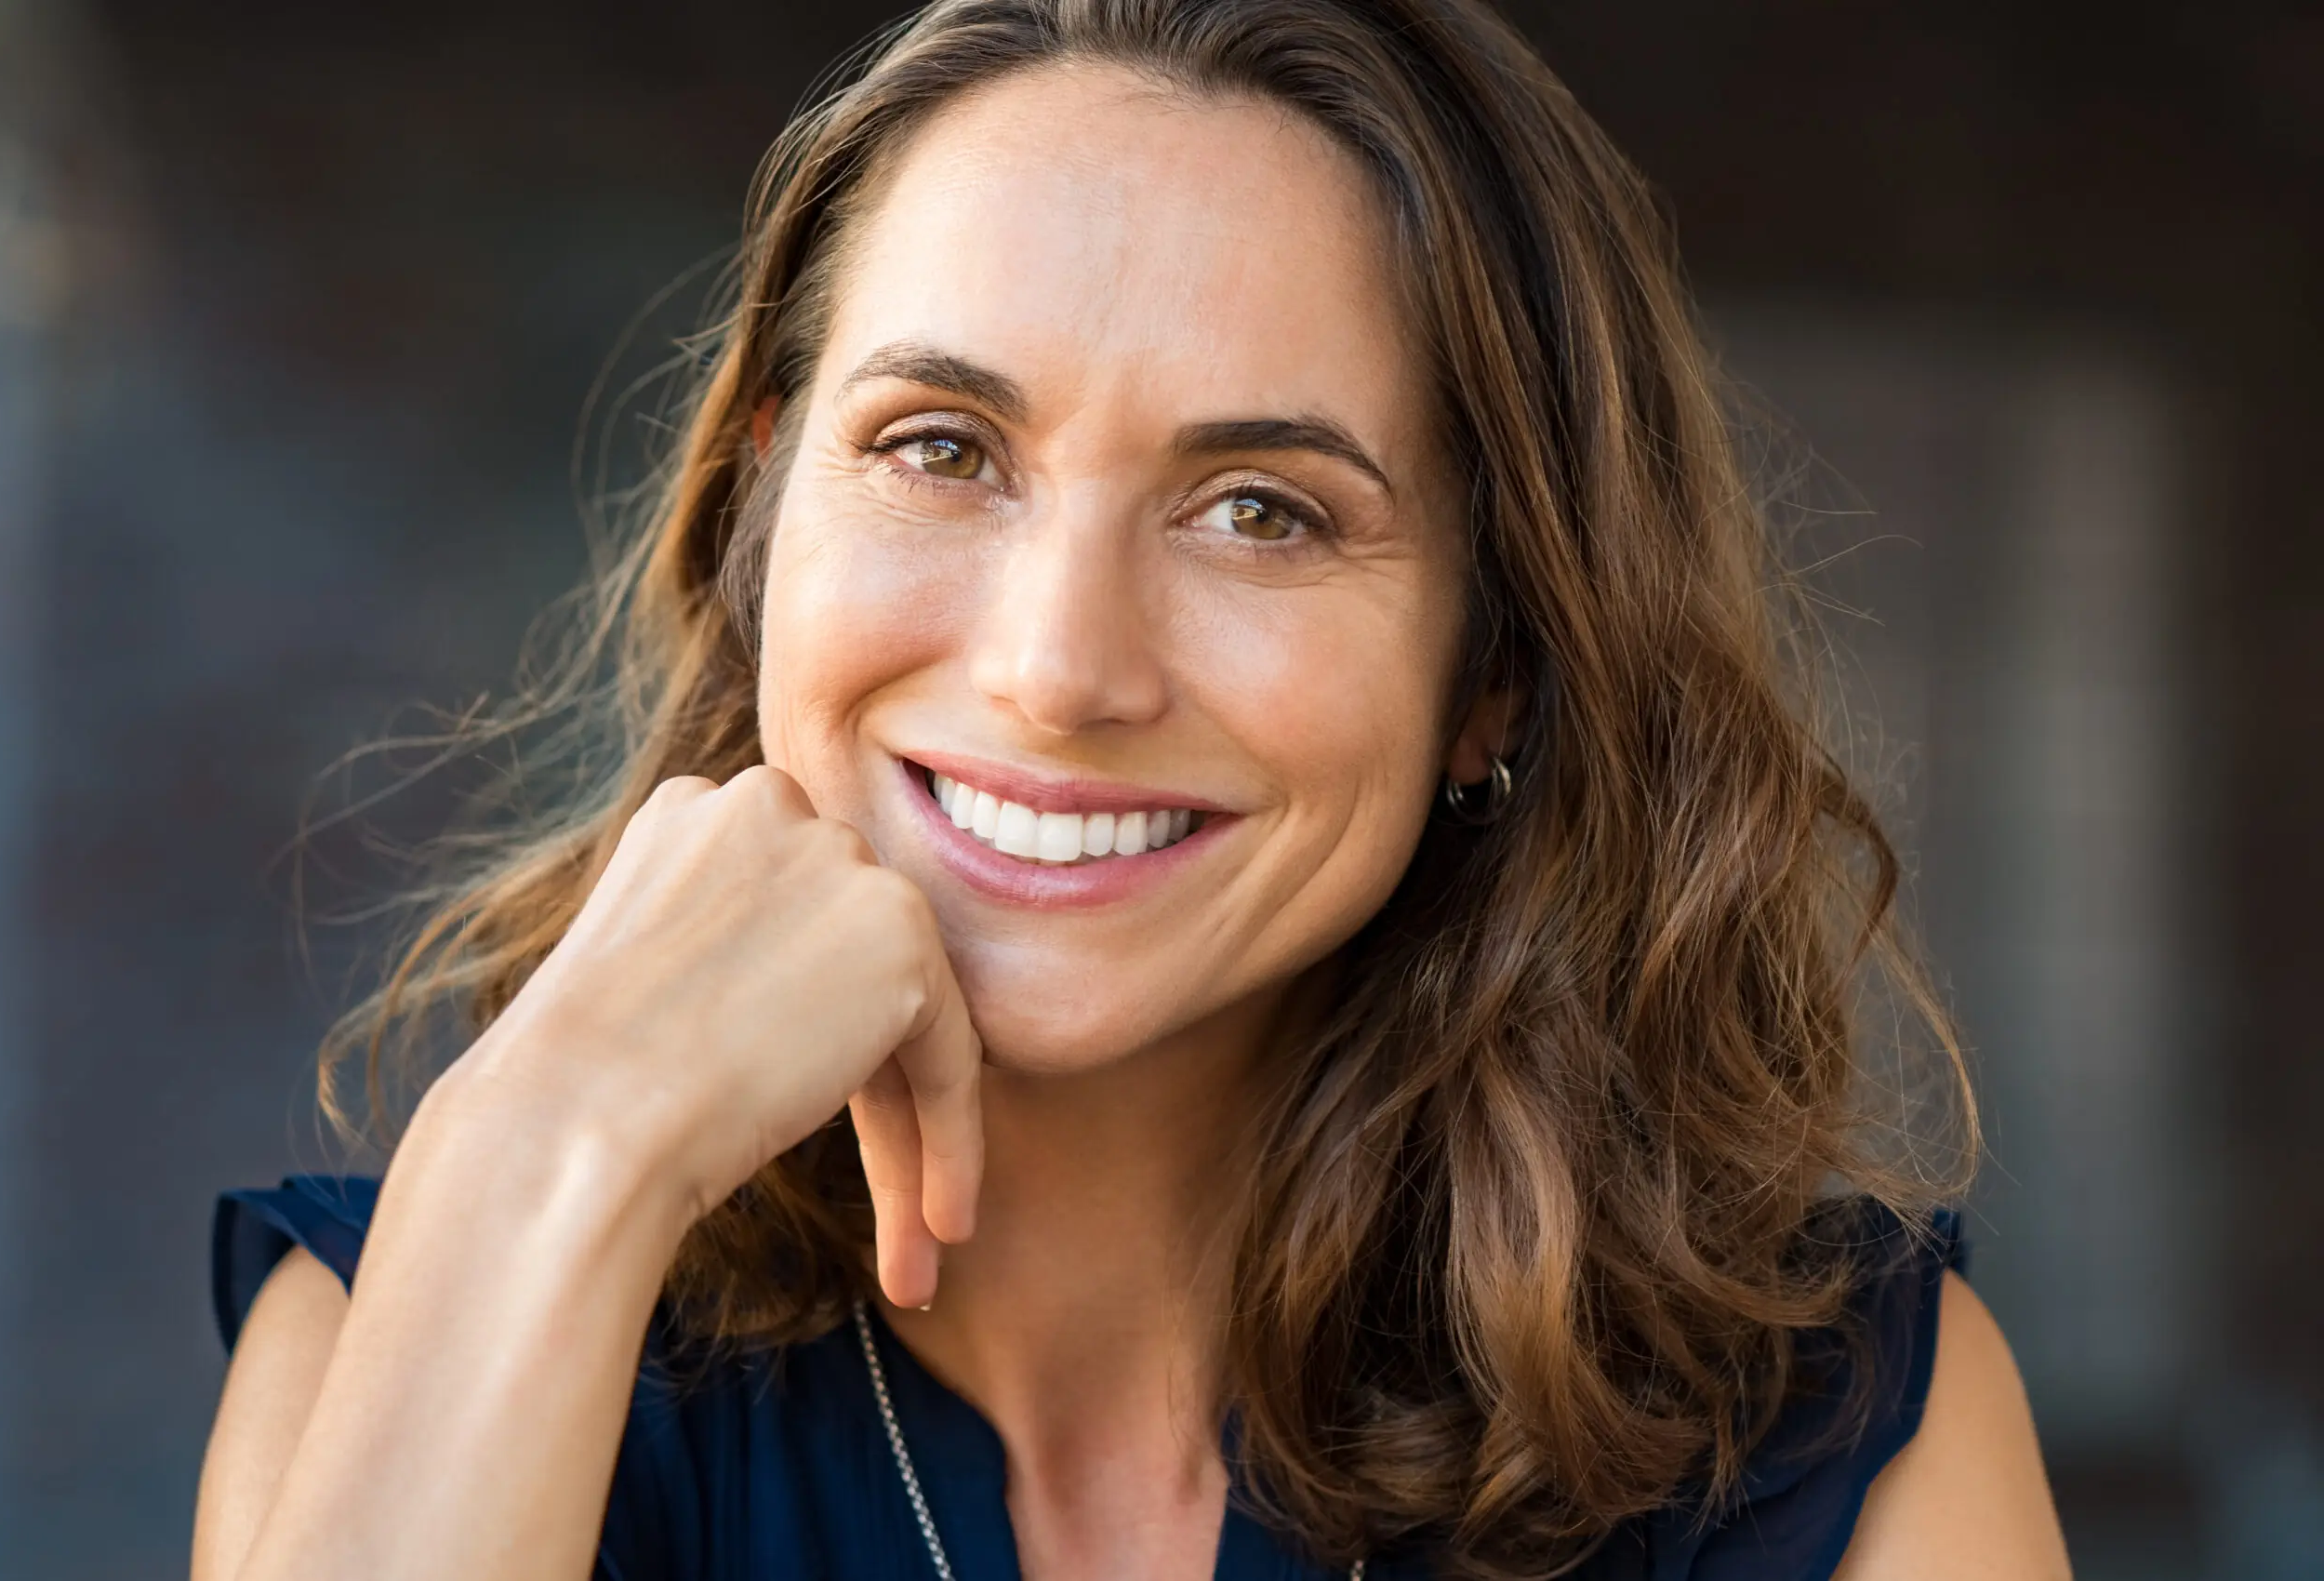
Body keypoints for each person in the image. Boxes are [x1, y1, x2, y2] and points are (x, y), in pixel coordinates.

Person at [192, 2, 2074, 1577]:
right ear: (766, 515)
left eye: (1261, 510)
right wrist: (558, 1137)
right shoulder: (417, 1308)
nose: (1055, 667)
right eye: (941, 448)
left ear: (1489, 669)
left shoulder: (1827, 1443)